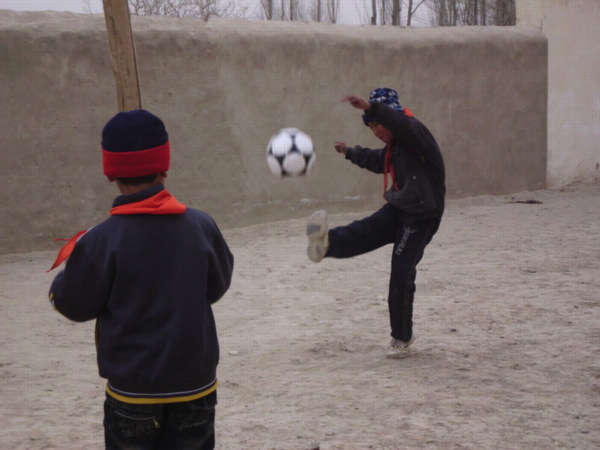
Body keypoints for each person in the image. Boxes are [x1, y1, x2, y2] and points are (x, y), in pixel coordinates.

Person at [48, 110, 234, 449]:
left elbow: (73, 304)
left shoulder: (100, 241)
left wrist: (61, 282)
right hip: (196, 387)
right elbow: (218, 286)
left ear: (110, 174)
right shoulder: (201, 226)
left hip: (133, 393)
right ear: (165, 166)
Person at [306, 88, 445, 359]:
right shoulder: (394, 149)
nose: (376, 131)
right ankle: (325, 244)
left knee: (401, 275)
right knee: (364, 231)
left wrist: (371, 107)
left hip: (421, 217)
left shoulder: (417, 136)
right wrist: (350, 152)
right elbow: (376, 159)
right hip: (400, 208)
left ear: (391, 117)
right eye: (371, 127)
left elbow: (401, 123)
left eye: (378, 124)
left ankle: (402, 337)